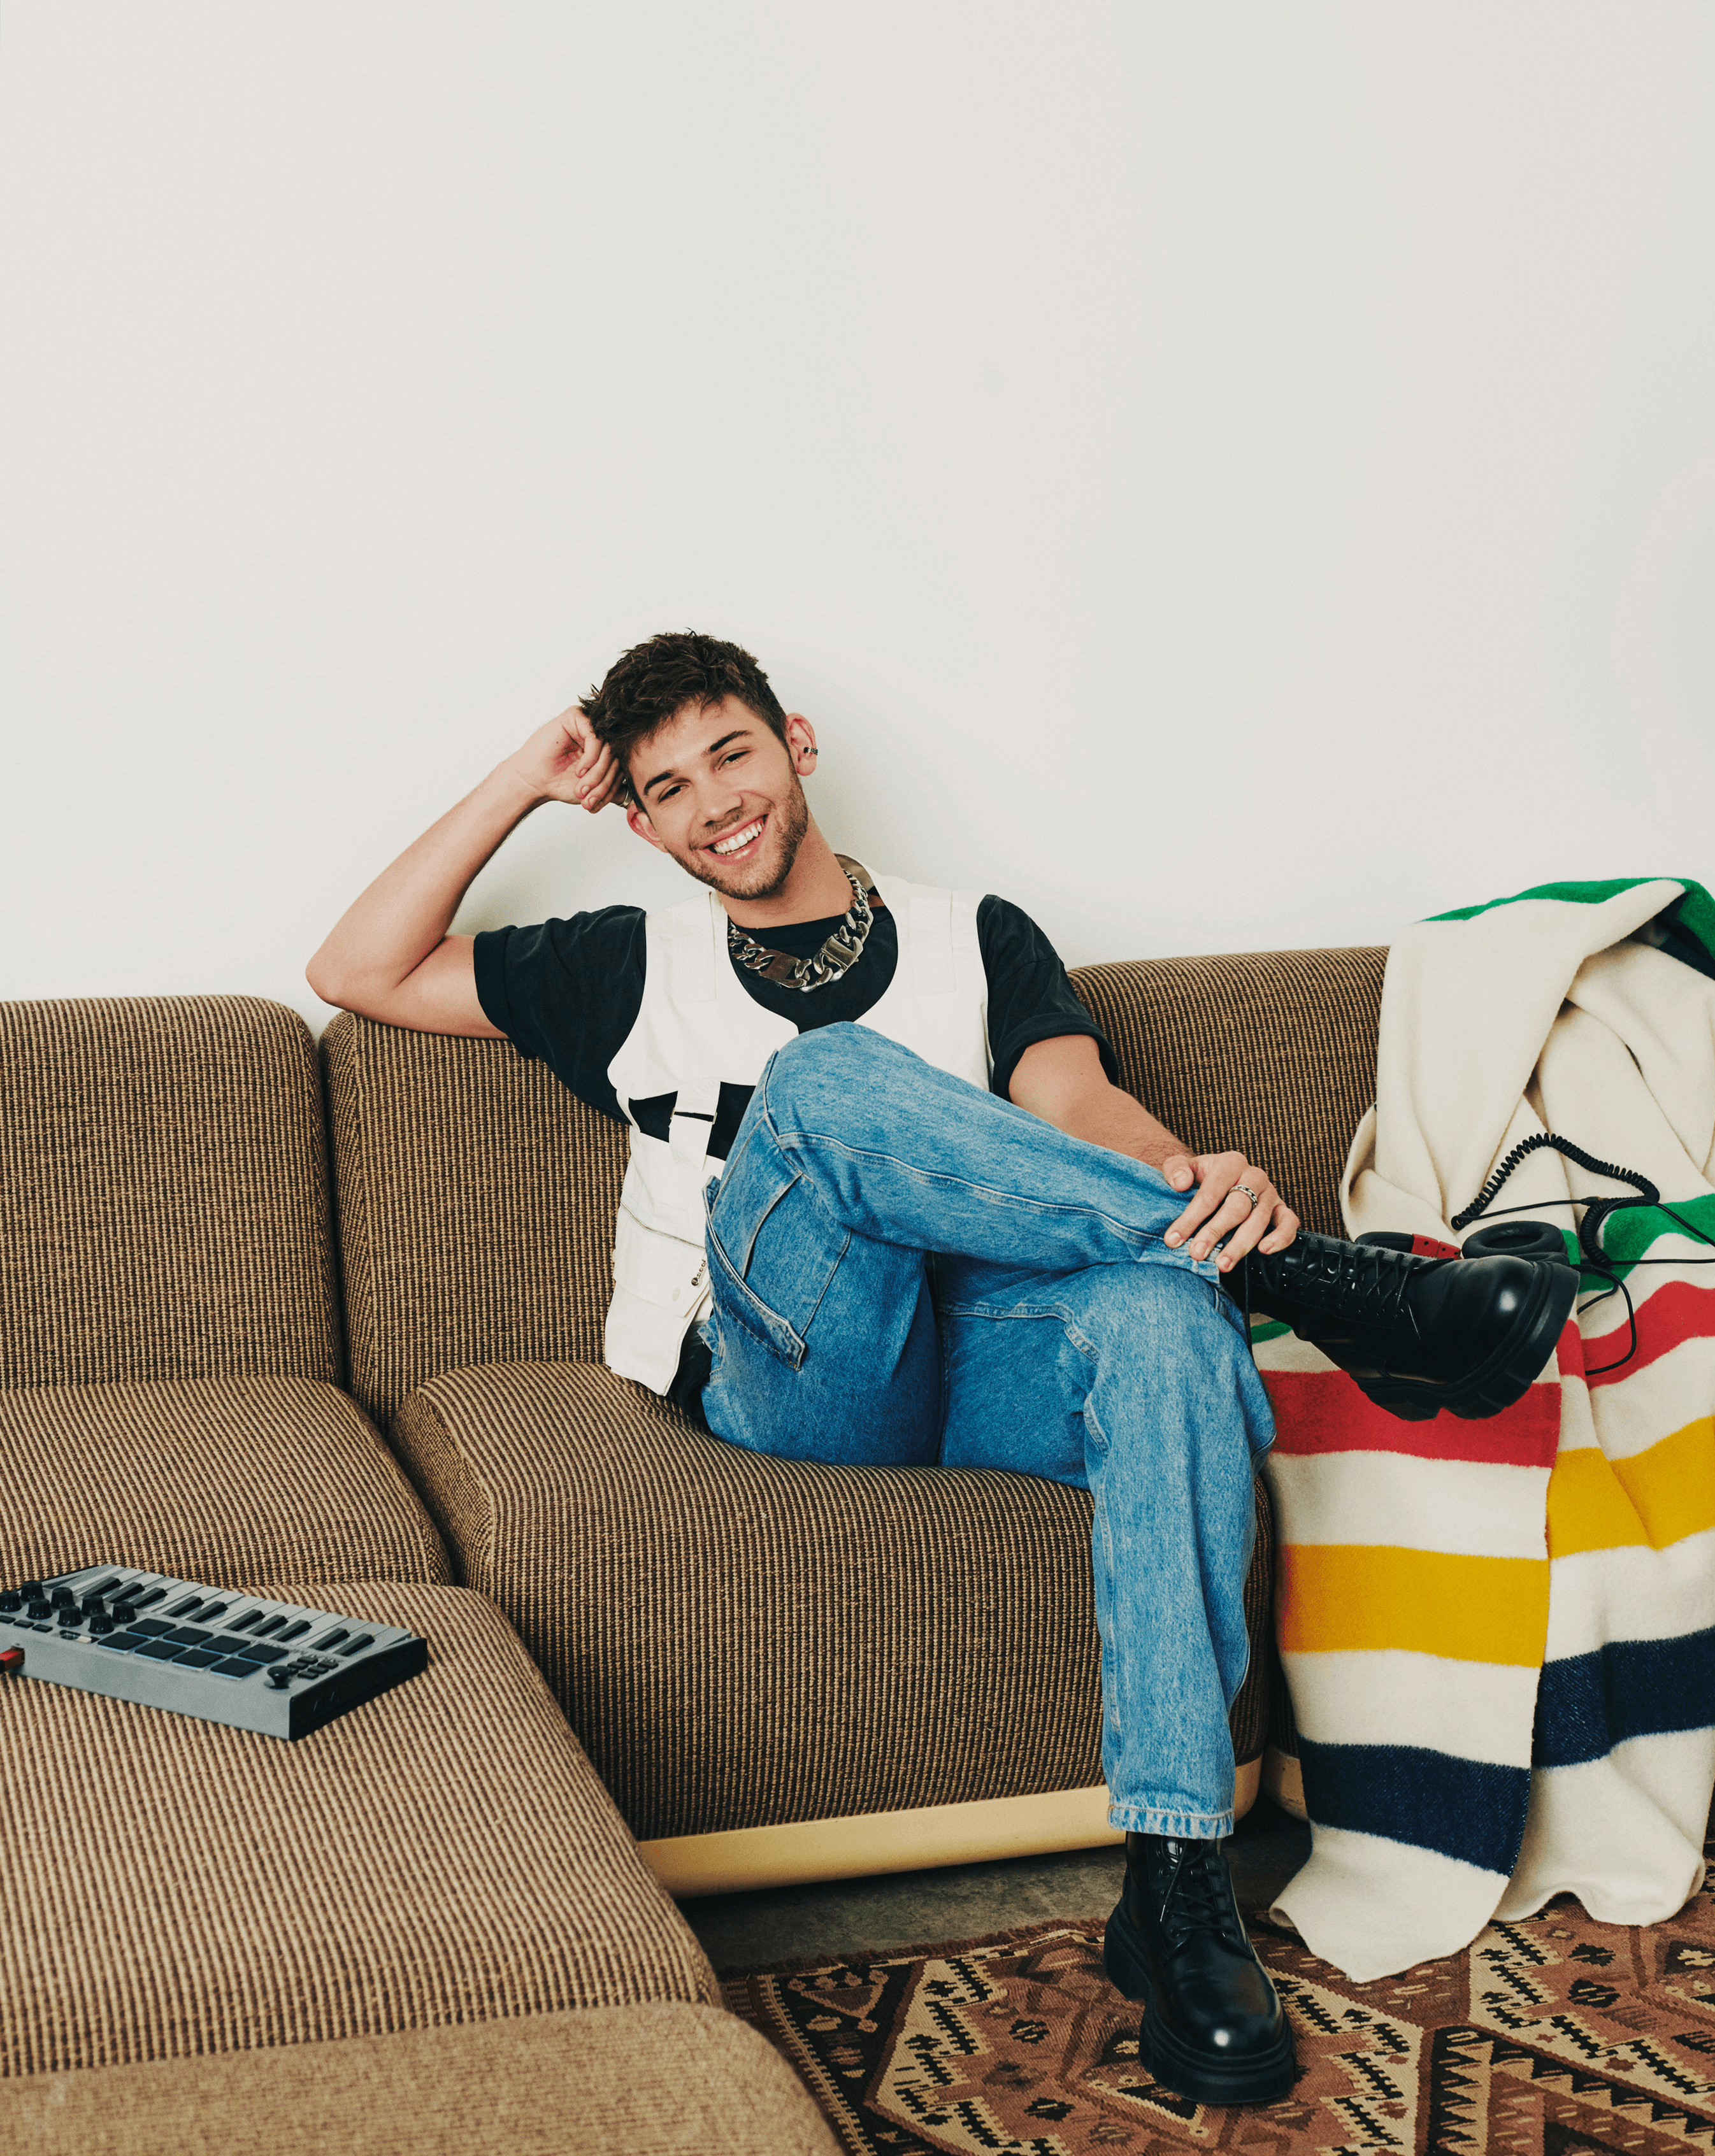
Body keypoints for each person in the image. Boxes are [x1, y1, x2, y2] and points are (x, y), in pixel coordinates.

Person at [308, 631, 1575, 2108]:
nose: (719, 801)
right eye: (671, 786)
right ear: (639, 825)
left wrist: (1189, 1181)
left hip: (977, 1355)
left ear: (795, 743)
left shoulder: (975, 933)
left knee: (1167, 1324)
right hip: (788, 1373)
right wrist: (530, 779)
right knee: (828, 1079)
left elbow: (1076, 1099)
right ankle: (1320, 1289)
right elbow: (355, 967)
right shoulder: (618, 965)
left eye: (734, 753)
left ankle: (1171, 1888)